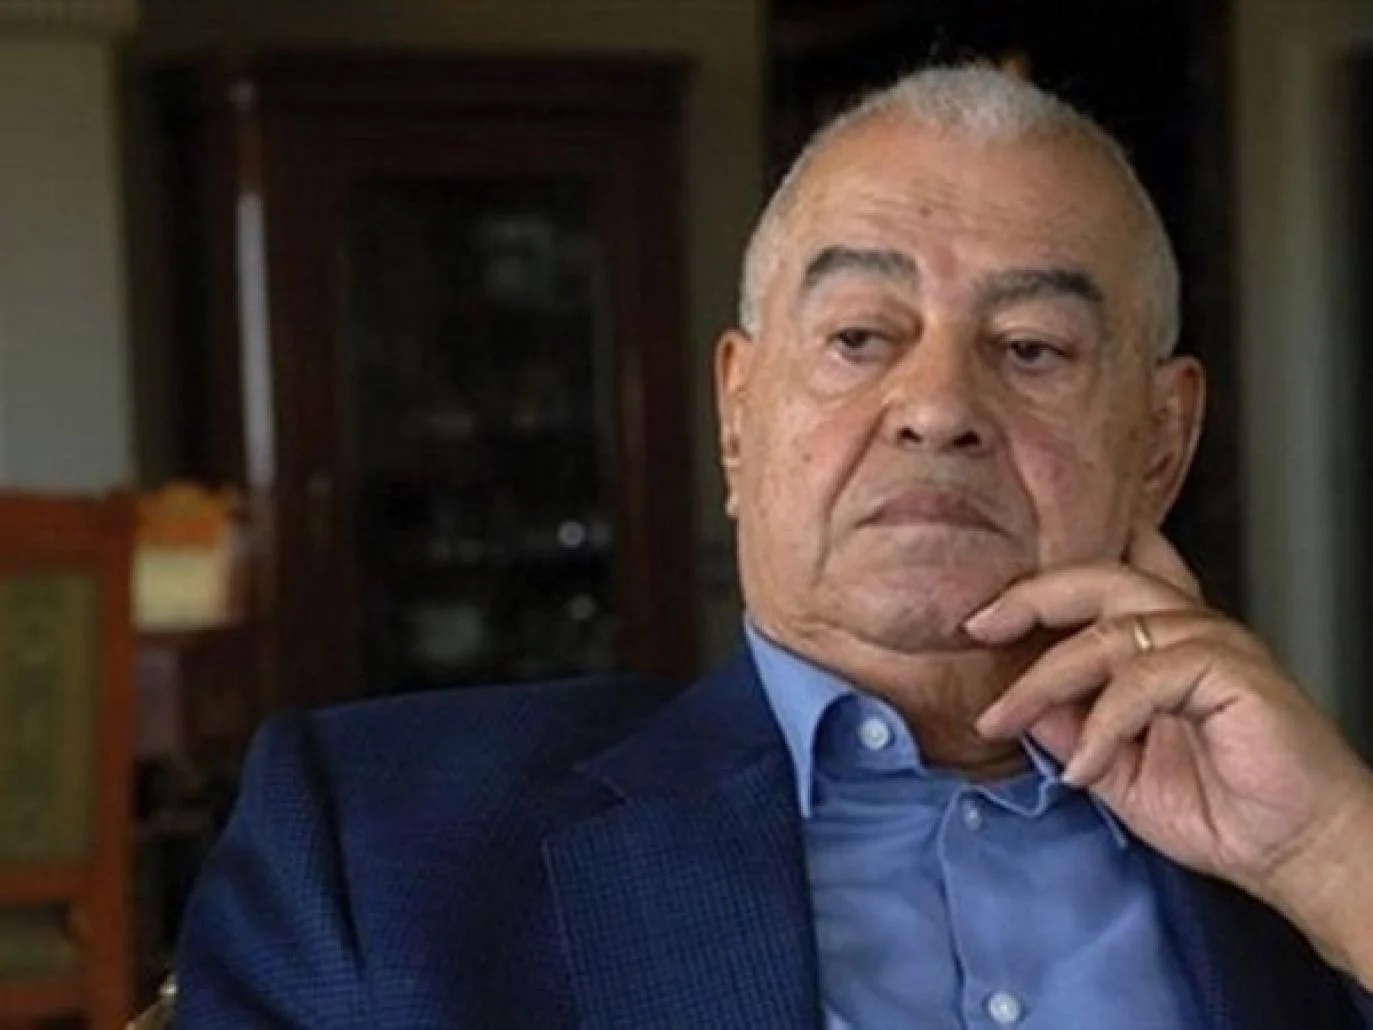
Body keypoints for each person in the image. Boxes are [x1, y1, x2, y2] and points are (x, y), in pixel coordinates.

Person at [174, 64, 1373, 1028]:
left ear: (1159, 441)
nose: (936, 405)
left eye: (1030, 348)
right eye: (858, 337)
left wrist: (1329, 856)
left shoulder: (1302, 865)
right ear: (737, 416)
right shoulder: (381, 848)